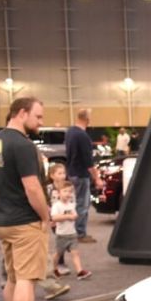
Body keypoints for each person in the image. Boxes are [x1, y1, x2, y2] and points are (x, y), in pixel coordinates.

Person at [0, 97, 51, 301]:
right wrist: (45, 217)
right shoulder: (22, 145)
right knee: (26, 280)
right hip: (24, 222)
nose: (40, 122)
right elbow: (32, 187)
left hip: (1, 220)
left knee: (13, 279)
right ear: (22, 113)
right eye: (38, 116)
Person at [65, 107, 103, 243]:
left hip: (71, 173)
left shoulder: (70, 132)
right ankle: (80, 234)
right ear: (87, 119)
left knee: (74, 204)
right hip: (81, 175)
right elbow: (88, 161)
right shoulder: (83, 136)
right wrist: (97, 178)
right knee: (82, 204)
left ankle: (72, 231)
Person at [51, 181, 90, 280]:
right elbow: (54, 218)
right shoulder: (57, 206)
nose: (68, 194)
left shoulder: (71, 204)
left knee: (75, 253)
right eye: (65, 191)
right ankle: (53, 269)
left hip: (72, 234)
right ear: (59, 193)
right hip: (61, 235)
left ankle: (79, 271)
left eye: (70, 191)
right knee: (58, 254)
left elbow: (75, 214)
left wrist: (74, 216)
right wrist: (67, 216)